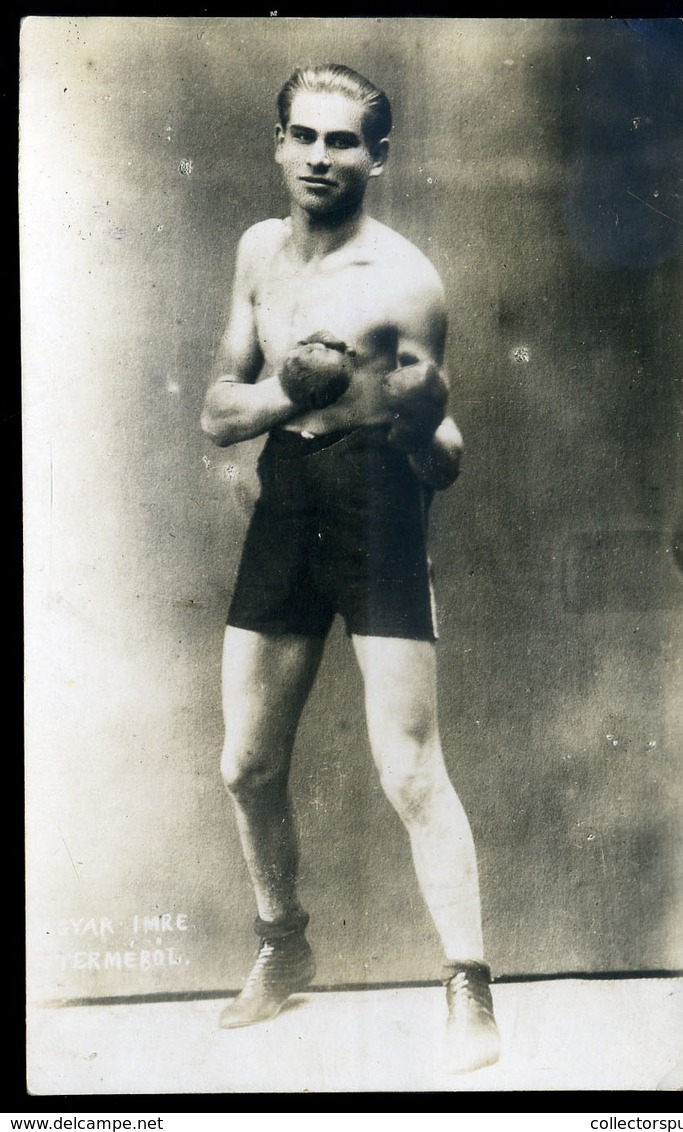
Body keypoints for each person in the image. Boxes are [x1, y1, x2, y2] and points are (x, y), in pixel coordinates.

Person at [201, 63, 500, 1073]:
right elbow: (217, 414)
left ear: (377, 155)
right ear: (279, 142)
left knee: (409, 765)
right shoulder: (255, 253)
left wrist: (415, 437)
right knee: (244, 763)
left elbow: (437, 451)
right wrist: (295, 390)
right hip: (288, 493)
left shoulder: (406, 281)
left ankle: (469, 988)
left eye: (343, 141)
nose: (321, 157)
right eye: (305, 136)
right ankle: (284, 949)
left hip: (376, 498)